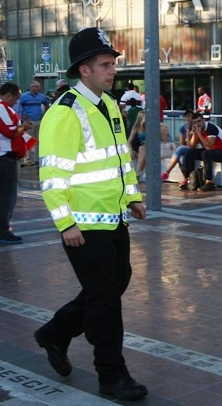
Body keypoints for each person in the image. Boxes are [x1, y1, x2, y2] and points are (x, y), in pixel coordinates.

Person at [35, 27, 148, 401]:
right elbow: (53, 174)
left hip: (113, 217)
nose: (112, 70)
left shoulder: (110, 104)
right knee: (105, 301)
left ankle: (55, 332)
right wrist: (65, 222)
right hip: (82, 225)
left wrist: (133, 197)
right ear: (84, 70)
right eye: (104, 64)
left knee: (116, 284)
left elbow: (121, 159)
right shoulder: (65, 112)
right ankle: (112, 376)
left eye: (112, 63)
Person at [0, 82, 33, 244]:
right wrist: (24, 126)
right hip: (2, 157)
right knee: (5, 197)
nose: (16, 102)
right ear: (9, 95)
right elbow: (10, 132)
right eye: (15, 99)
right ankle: (0, 231)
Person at [180, 112, 222, 192]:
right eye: (195, 122)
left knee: (206, 154)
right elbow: (191, 147)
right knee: (190, 153)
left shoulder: (211, 128)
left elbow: (209, 146)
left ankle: (209, 182)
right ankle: (190, 179)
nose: (198, 124)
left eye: (199, 121)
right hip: (213, 151)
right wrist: (194, 133)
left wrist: (199, 134)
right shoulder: (198, 129)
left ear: (204, 120)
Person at [14, 80, 50, 166]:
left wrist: (45, 114)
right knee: (28, 140)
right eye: (36, 86)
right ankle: (27, 159)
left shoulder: (41, 96)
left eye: (38, 86)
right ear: (31, 87)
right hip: (28, 122)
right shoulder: (24, 97)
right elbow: (18, 107)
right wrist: (22, 116)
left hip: (38, 120)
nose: (38, 88)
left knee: (38, 140)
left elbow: (47, 104)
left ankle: (37, 159)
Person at [161, 109, 197, 182]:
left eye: (189, 116)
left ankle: (167, 171)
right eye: (186, 116)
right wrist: (186, 130)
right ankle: (186, 179)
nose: (188, 118)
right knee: (181, 159)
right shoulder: (182, 128)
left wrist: (188, 130)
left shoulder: (195, 127)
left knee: (180, 149)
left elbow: (191, 145)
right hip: (185, 149)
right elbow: (181, 143)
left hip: (194, 149)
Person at [126, 111, 147, 181]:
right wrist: (130, 150)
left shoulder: (151, 127)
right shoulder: (136, 128)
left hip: (151, 147)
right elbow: (128, 142)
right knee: (140, 149)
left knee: (142, 148)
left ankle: (138, 173)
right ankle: (133, 174)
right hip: (143, 148)